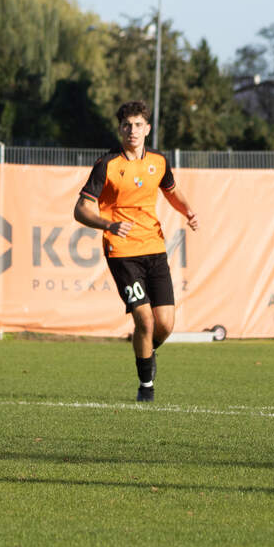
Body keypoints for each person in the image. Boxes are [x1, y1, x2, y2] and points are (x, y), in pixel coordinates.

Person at [72, 101, 199, 402]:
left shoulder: (159, 161)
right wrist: (108, 224)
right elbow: (80, 209)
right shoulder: (107, 164)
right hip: (122, 252)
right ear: (120, 129)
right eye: (127, 125)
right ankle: (146, 387)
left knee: (165, 324)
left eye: (138, 124)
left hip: (154, 247)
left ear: (147, 129)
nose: (133, 130)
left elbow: (171, 190)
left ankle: (145, 350)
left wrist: (188, 210)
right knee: (145, 319)